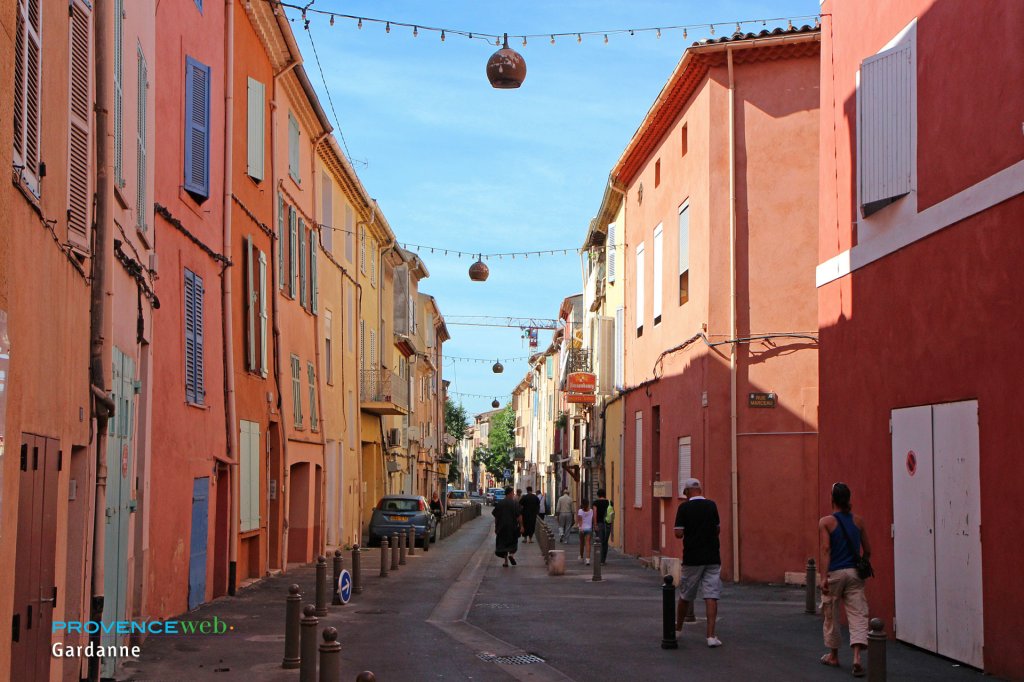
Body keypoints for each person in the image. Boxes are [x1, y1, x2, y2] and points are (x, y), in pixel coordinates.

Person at [818, 482, 871, 677]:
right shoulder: (859, 521)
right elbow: (868, 550)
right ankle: (857, 657)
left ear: (832, 499)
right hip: (854, 574)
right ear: (848, 499)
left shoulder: (825, 522)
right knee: (857, 614)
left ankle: (833, 655)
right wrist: (862, 563)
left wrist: (823, 577)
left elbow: (825, 550)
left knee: (831, 613)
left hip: (835, 573)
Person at [673, 478, 723, 648]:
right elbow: (717, 529)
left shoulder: (684, 508)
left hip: (692, 558)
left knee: (685, 595)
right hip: (712, 557)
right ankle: (711, 636)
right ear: (700, 490)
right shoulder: (712, 505)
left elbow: (678, 533)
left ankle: (678, 629)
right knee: (711, 595)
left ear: (687, 492)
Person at [491, 486, 522, 567]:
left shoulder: (500, 503)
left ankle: (505, 562)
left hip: (501, 527)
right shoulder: (515, 503)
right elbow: (519, 516)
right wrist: (522, 526)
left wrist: (496, 527)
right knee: (513, 543)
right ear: (510, 493)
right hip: (512, 527)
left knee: (503, 544)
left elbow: (496, 517)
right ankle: (511, 555)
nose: (513, 494)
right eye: (513, 493)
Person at [593, 488, 611, 564]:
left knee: (599, 541)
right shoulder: (609, 502)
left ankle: (599, 560)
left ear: (598, 495)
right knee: (605, 542)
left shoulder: (596, 503)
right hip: (607, 524)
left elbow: (595, 513)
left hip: (599, 523)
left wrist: (595, 524)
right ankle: (603, 560)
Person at [576, 499, 595, 565]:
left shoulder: (580, 511)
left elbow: (579, 520)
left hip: (582, 529)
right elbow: (592, 520)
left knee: (582, 543)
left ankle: (581, 557)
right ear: (588, 504)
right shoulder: (591, 511)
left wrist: (581, 528)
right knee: (588, 544)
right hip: (589, 529)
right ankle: (588, 559)